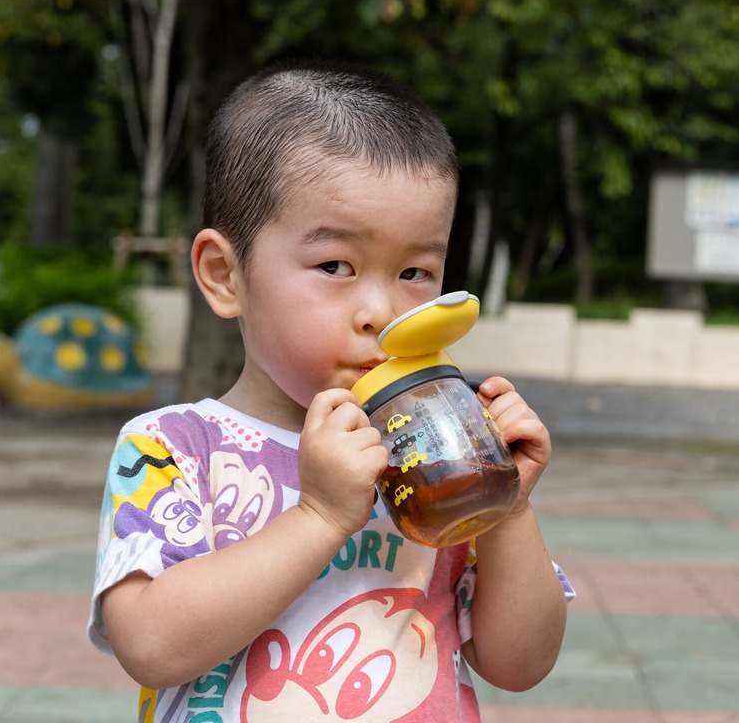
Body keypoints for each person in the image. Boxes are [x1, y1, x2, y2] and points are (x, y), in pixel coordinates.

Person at [87, 58, 572, 722]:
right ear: (225, 276)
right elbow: (150, 645)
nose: (380, 310)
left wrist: (506, 507)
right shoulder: (174, 448)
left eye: (414, 270)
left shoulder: (435, 457)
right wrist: (319, 516)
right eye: (335, 265)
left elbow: (521, 664)